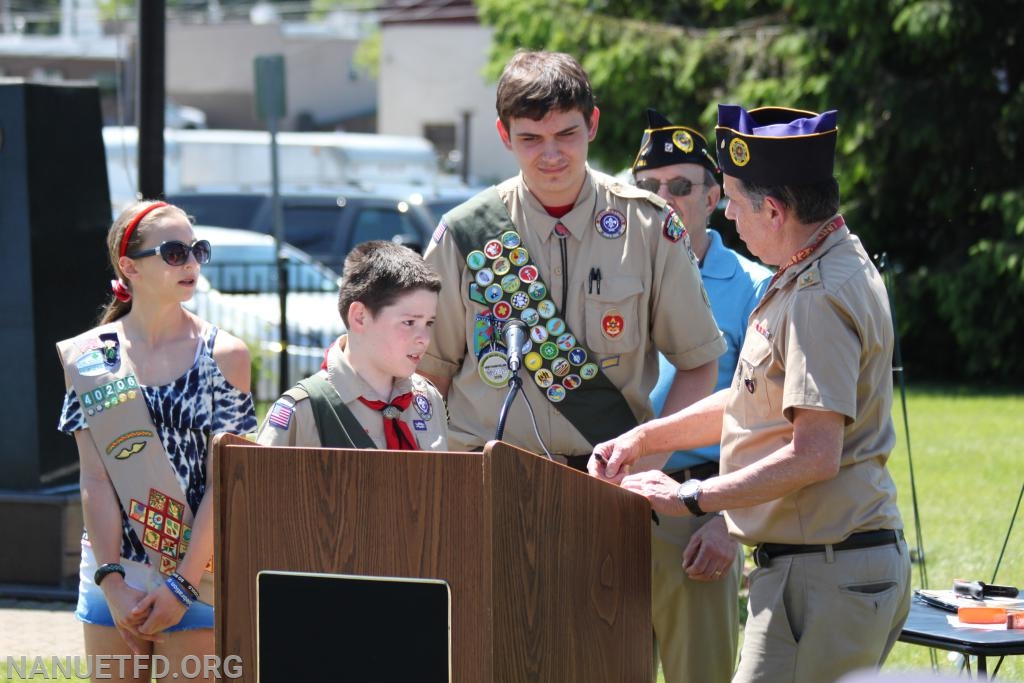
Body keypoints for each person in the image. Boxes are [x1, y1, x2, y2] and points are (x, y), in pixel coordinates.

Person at [591, 104, 911, 683]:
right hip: (809, 568)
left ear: (775, 208)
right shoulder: (809, 266)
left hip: (830, 576)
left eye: (734, 199)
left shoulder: (816, 294)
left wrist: (696, 499)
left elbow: (815, 453)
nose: (729, 215)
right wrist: (643, 439)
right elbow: (746, 397)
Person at [420, 50, 725, 468]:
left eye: (567, 134)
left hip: (607, 481)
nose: (551, 154)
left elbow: (698, 362)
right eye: (530, 138)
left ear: (592, 124)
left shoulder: (650, 226)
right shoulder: (464, 233)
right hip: (483, 480)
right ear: (504, 135)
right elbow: (427, 377)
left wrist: (646, 463)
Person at [57, 200, 257, 681]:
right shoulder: (92, 357)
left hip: (198, 572)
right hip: (114, 570)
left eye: (197, 250)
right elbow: (96, 478)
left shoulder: (225, 355)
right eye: (173, 252)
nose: (190, 263)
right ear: (129, 267)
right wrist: (112, 582)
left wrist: (182, 585)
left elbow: (224, 483)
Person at [633, 108, 772, 683]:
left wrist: (728, 520)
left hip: (698, 504)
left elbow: (770, 418)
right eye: (648, 188)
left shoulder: (752, 285)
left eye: (681, 186)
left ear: (714, 196)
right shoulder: (612, 275)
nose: (664, 198)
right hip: (608, 497)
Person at [257, 240, 447, 451]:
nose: (424, 338)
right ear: (359, 317)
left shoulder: (427, 399)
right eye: (409, 322)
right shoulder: (304, 410)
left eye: (429, 323)